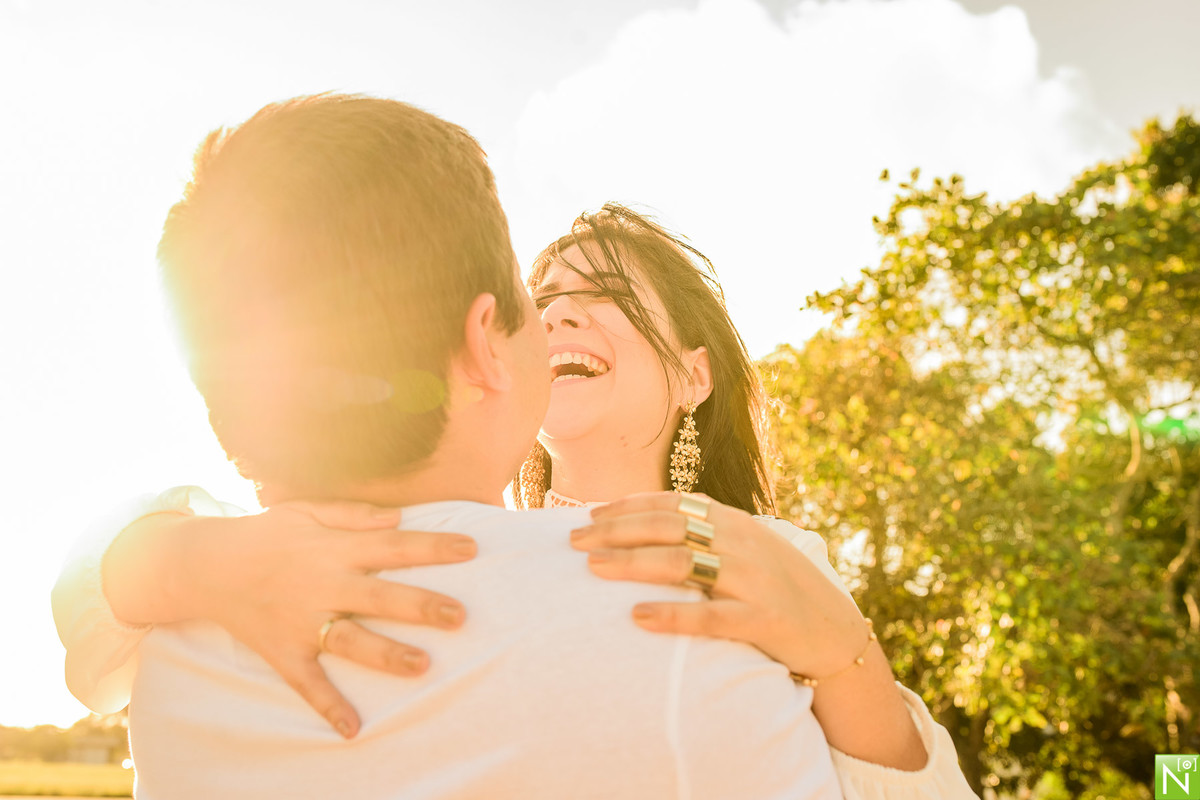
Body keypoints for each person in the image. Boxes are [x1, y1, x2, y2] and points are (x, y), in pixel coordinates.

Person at [53, 107, 978, 797]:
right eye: (542, 291)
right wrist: (182, 558)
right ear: (490, 348)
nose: (562, 309)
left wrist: (845, 654)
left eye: (606, 292)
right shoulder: (288, 565)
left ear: (695, 377)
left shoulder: (784, 571)